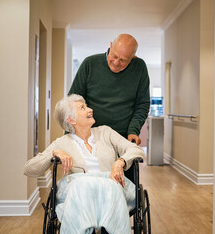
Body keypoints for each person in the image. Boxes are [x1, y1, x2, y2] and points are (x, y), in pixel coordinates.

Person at [23, 94, 145, 234]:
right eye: (83, 108)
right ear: (71, 119)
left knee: (111, 186)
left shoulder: (105, 132)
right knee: (80, 186)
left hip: (110, 192)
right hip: (80, 195)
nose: (90, 109)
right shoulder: (62, 143)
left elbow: (135, 150)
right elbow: (29, 169)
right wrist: (54, 153)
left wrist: (120, 162)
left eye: (86, 106)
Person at [68, 34, 150, 145]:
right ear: (110, 46)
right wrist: (69, 136)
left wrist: (133, 130)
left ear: (133, 58)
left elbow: (142, 104)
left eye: (123, 60)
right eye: (114, 56)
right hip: (90, 136)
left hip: (122, 137)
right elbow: (73, 102)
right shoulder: (90, 64)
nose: (116, 63)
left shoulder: (139, 67)